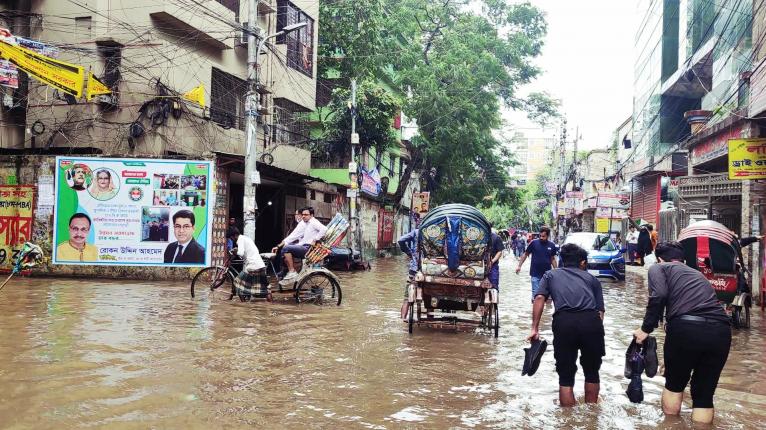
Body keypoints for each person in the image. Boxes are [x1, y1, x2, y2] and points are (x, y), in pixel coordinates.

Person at [632, 241, 731, 424]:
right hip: (721, 331)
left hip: (686, 329)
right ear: (682, 259)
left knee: (674, 385)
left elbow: (659, 295)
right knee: (704, 395)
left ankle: (671, 426)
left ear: (659, 258)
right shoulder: (697, 274)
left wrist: (646, 329)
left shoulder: (659, 268)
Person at [527, 243, 605, 407]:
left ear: (562, 259)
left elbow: (539, 298)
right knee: (592, 372)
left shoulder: (550, 275)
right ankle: (592, 414)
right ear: (582, 262)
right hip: (591, 322)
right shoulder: (592, 279)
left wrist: (534, 328)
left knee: (566, 375)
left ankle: (568, 417)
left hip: (564, 323)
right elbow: (600, 313)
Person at [271, 207, 327, 280]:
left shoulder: (313, 222)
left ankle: (292, 271)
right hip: (303, 246)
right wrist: (278, 246)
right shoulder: (304, 223)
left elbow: (324, 229)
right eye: (303, 214)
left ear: (311, 215)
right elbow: (292, 236)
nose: (303, 216)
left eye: (306, 214)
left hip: (309, 248)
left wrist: (315, 239)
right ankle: (286, 270)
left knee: (286, 248)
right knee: (285, 248)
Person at [515, 226, 558, 301]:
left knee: (547, 297)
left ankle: (545, 311)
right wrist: (519, 266)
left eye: (543, 236)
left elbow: (552, 259)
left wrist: (557, 271)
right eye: (540, 236)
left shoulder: (551, 245)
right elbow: (525, 254)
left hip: (547, 274)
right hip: (535, 273)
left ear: (547, 236)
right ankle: (535, 310)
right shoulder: (534, 243)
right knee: (536, 295)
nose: (541, 237)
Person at [227, 227, 267, 296]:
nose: (232, 240)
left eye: (231, 238)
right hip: (260, 265)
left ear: (235, 235)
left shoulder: (241, 240)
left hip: (252, 266)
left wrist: (235, 251)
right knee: (265, 290)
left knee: (237, 283)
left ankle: (243, 304)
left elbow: (241, 253)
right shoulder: (246, 238)